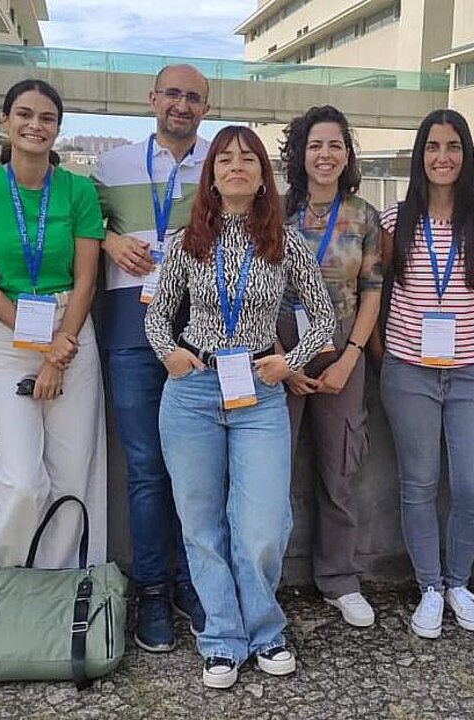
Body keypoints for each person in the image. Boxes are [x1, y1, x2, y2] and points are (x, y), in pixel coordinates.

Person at [145, 126, 334, 689]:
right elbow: (157, 313)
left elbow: (323, 319)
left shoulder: (285, 241)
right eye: (224, 159)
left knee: (262, 526)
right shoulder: (186, 242)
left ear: (261, 175)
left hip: (258, 390)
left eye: (247, 159)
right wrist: (169, 353)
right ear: (212, 173)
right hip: (194, 391)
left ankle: (266, 629)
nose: (235, 167)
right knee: (200, 524)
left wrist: (290, 361)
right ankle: (222, 639)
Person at [0, 79, 107, 571]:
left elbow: (86, 279)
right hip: (8, 332)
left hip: (71, 329)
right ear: (4, 121)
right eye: (24, 114)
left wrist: (62, 345)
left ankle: (59, 587)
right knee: (21, 478)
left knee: (70, 476)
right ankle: (5, 582)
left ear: (57, 129)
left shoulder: (78, 190)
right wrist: (45, 349)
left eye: (46, 118)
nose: (34, 125)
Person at [378, 109, 474, 640]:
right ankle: (430, 587)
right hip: (408, 370)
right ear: (419, 155)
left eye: (453, 146)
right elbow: (378, 292)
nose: (442, 157)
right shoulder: (393, 220)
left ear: (467, 154)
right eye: (432, 147)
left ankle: (459, 582)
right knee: (419, 484)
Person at [91, 64, 210, 651]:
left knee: (197, 469)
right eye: (172, 94)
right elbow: (82, 227)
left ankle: (192, 582)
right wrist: (110, 239)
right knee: (145, 470)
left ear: (205, 108)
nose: (181, 105)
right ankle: (154, 591)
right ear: (152, 100)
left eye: (193, 97)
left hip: (200, 335)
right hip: (131, 333)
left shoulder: (221, 163)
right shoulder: (110, 167)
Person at [276, 105, 382, 628]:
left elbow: (371, 293)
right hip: (280, 341)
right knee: (270, 467)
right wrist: (285, 360)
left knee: (340, 467)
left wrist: (351, 357)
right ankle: (263, 579)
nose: (325, 154)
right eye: (315, 145)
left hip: (343, 345)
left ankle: (339, 578)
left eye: (335, 145)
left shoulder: (364, 216)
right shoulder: (273, 212)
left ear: (347, 153)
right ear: (300, 154)